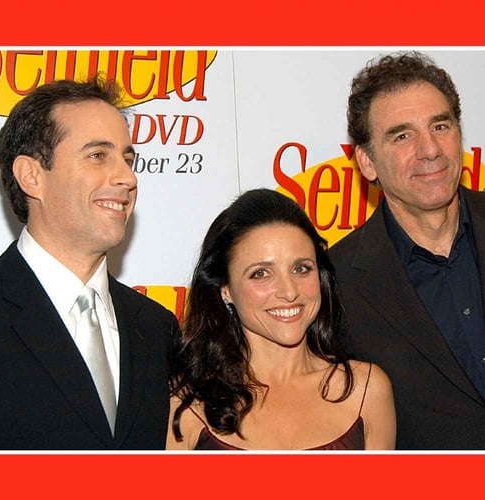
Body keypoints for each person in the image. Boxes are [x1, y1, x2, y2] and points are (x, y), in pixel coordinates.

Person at [0, 76, 180, 449]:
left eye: (127, 159)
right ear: (32, 176)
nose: (127, 177)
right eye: (97, 155)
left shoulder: (157, 328)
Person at [329, 51, 485, 449]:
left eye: (440, 125)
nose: (430, 149)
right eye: (402, 136)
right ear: (367, 162)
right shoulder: (336, 282)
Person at [167, 188, 395, 450]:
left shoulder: (367, 391)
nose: (289, 291)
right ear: (225, 289)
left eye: (301, 268)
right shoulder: (187, 403)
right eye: (261, 273)